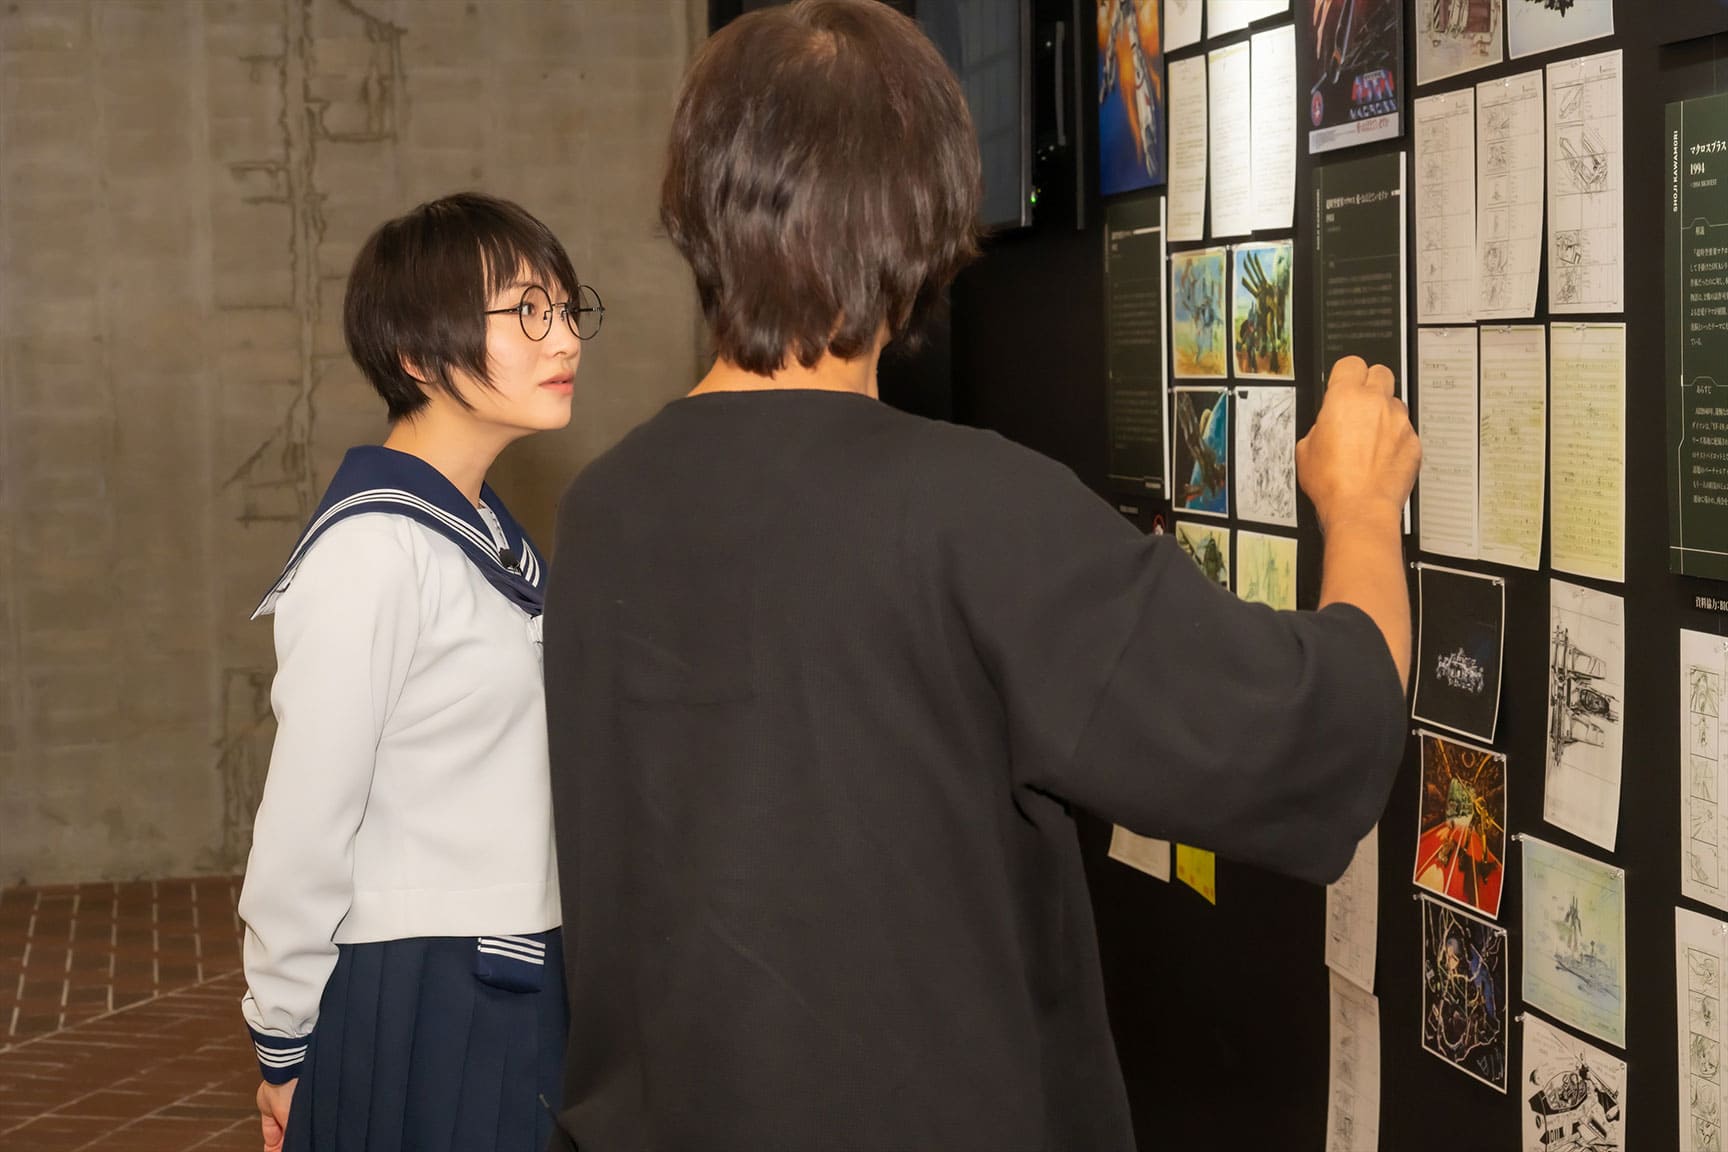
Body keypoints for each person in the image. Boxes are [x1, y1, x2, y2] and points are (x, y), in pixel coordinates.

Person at [541, 2, 1418, 1148]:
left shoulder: (604, 510)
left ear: (698, 202)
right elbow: (1310, 731)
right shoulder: (975, 512)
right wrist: (1362, 510)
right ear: (924, 218)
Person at [237, 192, 602, 1152]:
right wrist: (284, 1039)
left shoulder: (485, 540)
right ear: (415, 352)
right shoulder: (373, 552)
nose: (564, 337)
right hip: (426, 997)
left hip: (515, 976)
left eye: (568, 309)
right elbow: (304, 824)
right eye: (528, 311)